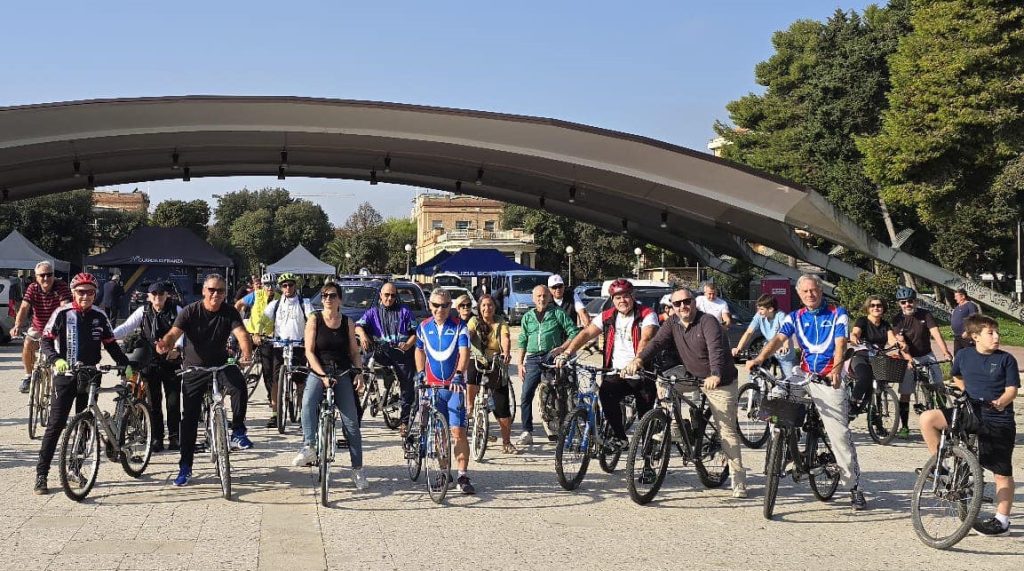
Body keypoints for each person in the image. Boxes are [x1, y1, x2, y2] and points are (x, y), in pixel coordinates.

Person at [746, 274, 867, 510]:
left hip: (828, 376)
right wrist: (760, 357)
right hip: (804, 373)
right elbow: (779, 338)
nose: (810, 295)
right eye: (805, 292)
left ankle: (853, 487)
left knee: (839, 435)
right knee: (776, 398)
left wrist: (837, 368)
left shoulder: (837, 312)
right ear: (799, 295)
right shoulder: (795, 317)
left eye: (814, 290)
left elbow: (841, 342)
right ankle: (782, 448)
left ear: (820, 291)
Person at [625, 287, 747, 498]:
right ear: (672, 307)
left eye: (686, 301)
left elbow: (716, 348)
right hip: (693, 376)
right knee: (664, 385)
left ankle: (738, 479)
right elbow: (656, 343)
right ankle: (676, 427)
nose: (683, 306)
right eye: (677, 303)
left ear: (694, 302)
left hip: (720, 380)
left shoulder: (708, 321)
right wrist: (639, 359)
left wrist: (716, 374)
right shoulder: (672, 323)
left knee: (726, 429)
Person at [33, 273, 132, 494]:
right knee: (56, 424)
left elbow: (111, 344)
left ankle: (75, 468)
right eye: (81, 291)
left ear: (95, 293)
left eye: (89, 292)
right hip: (66, 374)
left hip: (91, 375)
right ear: (73, 292)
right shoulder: (62, 313)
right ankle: (42, 474)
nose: (85, 296)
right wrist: (55, 359)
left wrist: (124, 364)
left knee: (86, 422)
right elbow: (46, 340)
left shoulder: (100, 315)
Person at [918, 314, 1017, 536]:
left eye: (997, 332)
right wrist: (964, 392)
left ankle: (1001, 521)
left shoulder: (1006, 359)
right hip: (969, 411)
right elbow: (957, 377)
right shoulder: (963, 356)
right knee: (927, 419)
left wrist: (1001, 401)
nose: (996, 337)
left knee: (1001, 473)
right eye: (990, 333)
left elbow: (1012, 390)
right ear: (975, 337)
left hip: (997, 418)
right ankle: (940, 468)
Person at [157, 274, 254, 487]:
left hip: (220, 364)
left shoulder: (229, 311)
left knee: (239, 386)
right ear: (204, 291)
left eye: (220, 291)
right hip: (194, 368)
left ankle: (238, 431)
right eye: (211, 290)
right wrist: (166, 343)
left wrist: (246, 355)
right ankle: (185, 467)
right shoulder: (191, 311)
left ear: (225, 293)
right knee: (189, 419)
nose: (215, 294)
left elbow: (242, 335)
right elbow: (174, 333)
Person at [559, 279, 658, 449]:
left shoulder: (647, 314)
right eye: (617, 298)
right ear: (612, 299)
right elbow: (586, 333)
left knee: (645, 420)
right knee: (606, 394)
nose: (622, 301)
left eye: (626, 296)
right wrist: (567, 352)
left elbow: (646, 339)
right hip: (616, 372)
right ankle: (621, 438)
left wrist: (637, 361)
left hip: (641, 373)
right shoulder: (608, 315)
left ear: (632, 296)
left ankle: (648, 463)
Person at [293, 282, 369, 489]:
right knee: (308, 401)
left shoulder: (347, 322)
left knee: (351, 423)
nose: (328, 299)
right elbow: (309, 351)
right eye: (325, 295)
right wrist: (321, 374)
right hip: (319, 369)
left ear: (340, 300)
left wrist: (359, 373)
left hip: (342, 371)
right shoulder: (314, 319)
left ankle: (358, 470)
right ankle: (309, 445)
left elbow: (354, 352)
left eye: (332, 295)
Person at [415, 289, 475, 494]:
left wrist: (459, 373)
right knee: (440, 433)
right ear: (430, 305)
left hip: (454, 387)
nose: (440, 309)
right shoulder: (423, 327)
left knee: (458, 432)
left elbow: (464, 352)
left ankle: (462, 475)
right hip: (433, 388)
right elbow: (419, 350)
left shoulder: (460, 327)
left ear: (451, 306)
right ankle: (444, 472)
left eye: (445, 305)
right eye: (436, 305)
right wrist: (420, 372)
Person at [113, 281, 185, 453]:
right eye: (154, 294)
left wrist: (177, 348)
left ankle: (175, 437)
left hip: (171, 361)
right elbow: (126, 328)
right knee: (153, 403)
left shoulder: (176, 310)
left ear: (167, 294)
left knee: (173, 402)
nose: (157, 297)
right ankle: (156, 438)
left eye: (161, 294)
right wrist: (107, 336)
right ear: (149, 296)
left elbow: (182, 331)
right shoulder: (143, 311)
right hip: (150, 362)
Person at [516, 284, 580, 446]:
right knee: (526, 395)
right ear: (533, 298)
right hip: (532, 359)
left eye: (544, 296)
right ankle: (527, 430)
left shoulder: (557, 313)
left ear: (549, 297)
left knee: (554, 394)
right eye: (538, 296)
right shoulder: (528, 317)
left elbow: (573, 332)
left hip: (551, 356)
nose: (542, 299)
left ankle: (557, 429)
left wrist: (562, 348)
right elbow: (522, 340)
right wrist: (519, 363)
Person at [354, 281, 418, 435]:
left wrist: (409, 344)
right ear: (380, 296)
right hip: (381, 352)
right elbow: (358, 325)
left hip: (401, 353)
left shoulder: (405, 311)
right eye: (386, 295)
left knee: (407, 386)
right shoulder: (373, 312)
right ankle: (366, 401)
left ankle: (404, 422)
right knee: (361, 372)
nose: (389, 298)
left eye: (393, 295)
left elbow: (416, 332)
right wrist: (362, 334)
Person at [892, 286, 953, 439]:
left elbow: (935, 333)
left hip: (927, 355)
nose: (907, 304)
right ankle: (904, 426)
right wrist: (909, 360)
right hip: (908, 357)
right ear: (900, 304)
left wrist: (945, 351)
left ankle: (944, 421)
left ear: (916, 302)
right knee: (905, 393)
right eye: (903, 302)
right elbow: (900, 342)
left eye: (910, 301)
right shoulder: (897, 319)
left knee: (938, 387)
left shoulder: (925, 314)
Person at [9, 261, 71, 394]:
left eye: (49, 275)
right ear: (36, 277)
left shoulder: (61, 286)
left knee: (61, 353)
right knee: (28, 343)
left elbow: (64, 307)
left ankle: (60, 380)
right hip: (38, 326)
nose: (46, 278)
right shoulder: (33, 287)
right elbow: (25, 307)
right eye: (42, 275)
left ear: (54, 275)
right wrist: (17, 326)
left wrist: (58, 328)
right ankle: (28, 376)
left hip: (57, 328)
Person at [466, 295, 516, 453]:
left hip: (495, 360)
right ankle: (470, 406)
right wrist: (465, 343)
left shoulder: (500, 322)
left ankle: (506, 442)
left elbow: (505, 338)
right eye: (484, 305)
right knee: (472, 372)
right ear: (479, 308)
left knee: (501, 404)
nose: (487, 308)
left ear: (495, 307)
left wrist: (506, 352)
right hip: (478, 358)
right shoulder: (474, 321)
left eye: (490, 305)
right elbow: (469, 334)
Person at [263, 272, 314, 428]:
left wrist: (312, 334)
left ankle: (302, 414)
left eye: (290, 285)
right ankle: (275, 414)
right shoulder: (275, 304)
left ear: (295, 286)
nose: (287, 288)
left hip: (298, 346)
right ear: (280, 287)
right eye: (284, 285)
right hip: (279, 346)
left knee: (300, 383)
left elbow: (312, 318)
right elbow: (263, 321)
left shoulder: (304, 302)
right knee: (276, 381)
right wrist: (258, 333)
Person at [847, 295, 901, 413]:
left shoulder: (885, 324)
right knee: (865, 377)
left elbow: (891, 339)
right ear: (868, 308)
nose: (876, 307)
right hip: (861, 356)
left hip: (877, 357)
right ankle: (853, 401)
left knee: (882, 381)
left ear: (883, 308)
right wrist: (854, 337)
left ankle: (876, 416)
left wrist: (898, 343)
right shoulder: (862, 321)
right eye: (872, 305)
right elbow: (855, 332)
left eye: (879, 305)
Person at [235, 273, 277, 401]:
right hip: (250, 334)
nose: (270, 288)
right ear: (263, 286)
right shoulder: (256, 295)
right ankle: (236, 382)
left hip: (267, 338)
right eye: (267, 285)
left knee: (268, 370)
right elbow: (238, 304)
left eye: (273, 285)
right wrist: (237, 322)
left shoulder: (280, 298)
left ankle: (272, 398)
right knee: (242, 360)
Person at [732, 294, 798, 376]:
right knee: (755, 369)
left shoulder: (781, 316)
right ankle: (755, 387)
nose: (759, 312)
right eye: (758, 309)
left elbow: (786, 333)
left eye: (761, 309)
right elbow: (748, 332)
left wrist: (785, 345)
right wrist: (739, 348)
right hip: (769, 347)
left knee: (791, 380)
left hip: (783, 350)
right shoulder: (759, 316)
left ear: (771, 309)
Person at [950, 288, 981, 355]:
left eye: (956, 296)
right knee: (957, 355)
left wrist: (968, 331)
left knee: (970, 354)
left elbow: (975, 320)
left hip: (966, 336)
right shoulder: (957, 307)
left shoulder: (970, 305)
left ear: (963, 296)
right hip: (957, 336)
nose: (955, 298)